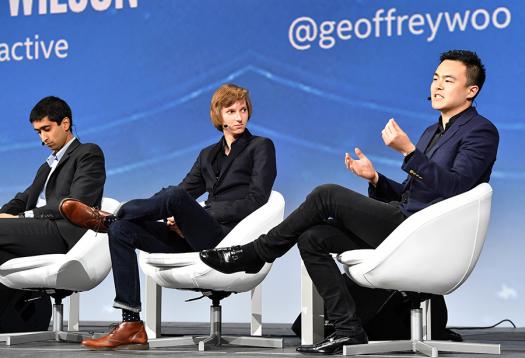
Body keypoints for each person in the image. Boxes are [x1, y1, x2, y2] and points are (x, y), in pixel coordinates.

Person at [200, 50, 500, 354]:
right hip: (404, 221)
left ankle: (257, 253)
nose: (437, 86)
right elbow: (412, 194)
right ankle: (348, 330)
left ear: (470, 91)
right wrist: (375, 180)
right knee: (312, 237)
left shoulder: (481, 131)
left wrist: (409, 152)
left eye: (448, 81)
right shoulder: (430, 132)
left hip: (425, 232)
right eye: (436, 78)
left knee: (326, 194)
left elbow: (456, 188)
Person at [60, 83, 277, 350]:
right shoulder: (208, 155)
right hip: (194, 236)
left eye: (243, 110)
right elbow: (185, 190)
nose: (239, 116)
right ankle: (131, 324)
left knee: (172, 198)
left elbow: (256, 200)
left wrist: (194, 213)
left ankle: (109, 217)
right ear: (218, 115)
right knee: (122, 231)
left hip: (227, 238)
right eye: (231, 111)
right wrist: (175, 220)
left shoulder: (260, 146)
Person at [0, 96, 106, 332]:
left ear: (65, 123)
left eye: (46, 129)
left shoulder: (88, 153)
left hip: (65, 232)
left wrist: (21, 219)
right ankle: (13, 320)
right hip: (41, 232)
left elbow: (74, 203)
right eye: (38, 132)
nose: (43, 138)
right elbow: (23, 198)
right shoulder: (47, 166)